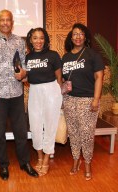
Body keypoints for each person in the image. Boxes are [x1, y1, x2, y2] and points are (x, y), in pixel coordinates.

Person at [0, 9, 38, 180]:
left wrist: (24, 74)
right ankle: (3, 165)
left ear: (12, 22)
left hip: (16, 93)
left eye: (8, 20)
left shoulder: (19, 41)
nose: (5, 23)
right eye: (2, 20)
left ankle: (24, 162)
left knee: (21, 131)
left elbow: (24, 64)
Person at [62, 23, 104, 181]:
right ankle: (75, 161)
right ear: (71, 37)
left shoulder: (93, 55)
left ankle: (87, 163)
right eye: (74, 34)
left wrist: (96, 99)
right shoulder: (65, 57)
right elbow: (63, 80)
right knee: (73, 133)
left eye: (81, 34)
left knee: (86, 135)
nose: (77, 37)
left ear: (85, 37)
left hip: (87, 100)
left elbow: (99, 77)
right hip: (69, 100)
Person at [25, 28, 63, 176]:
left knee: (50, 125)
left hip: (51, 91)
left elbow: (59, 78)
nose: (38, 41)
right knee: (35, 126)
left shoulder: (53, 55)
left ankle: (46, 159)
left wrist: (60, 95)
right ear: (30, 40)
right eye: (35, 38)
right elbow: (27, 78)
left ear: (45, 40)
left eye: (41, 38)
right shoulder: (27, 57)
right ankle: (39, 157)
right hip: (34, 91)